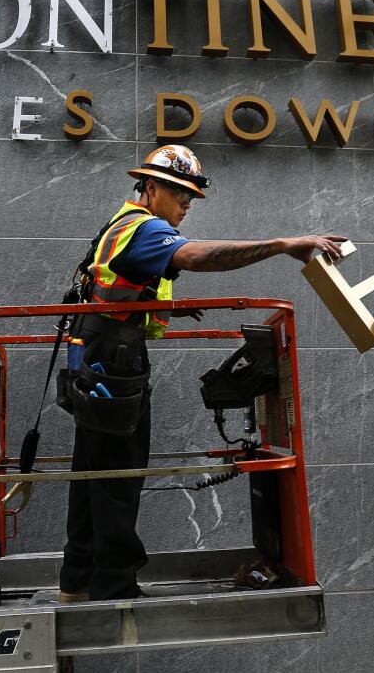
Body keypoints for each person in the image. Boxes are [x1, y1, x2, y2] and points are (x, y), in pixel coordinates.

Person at [57, 143, 346, 602]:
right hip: (113, 362)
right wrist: (283, 244)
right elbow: (198, 257)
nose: (187, 205)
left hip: (100, 354)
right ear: (150, 188)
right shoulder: (142, 229)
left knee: (94, 471)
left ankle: (77, 581)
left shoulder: (121, 226)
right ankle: (113, 586)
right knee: (118, 476)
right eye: (180, 195)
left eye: (192, 198)